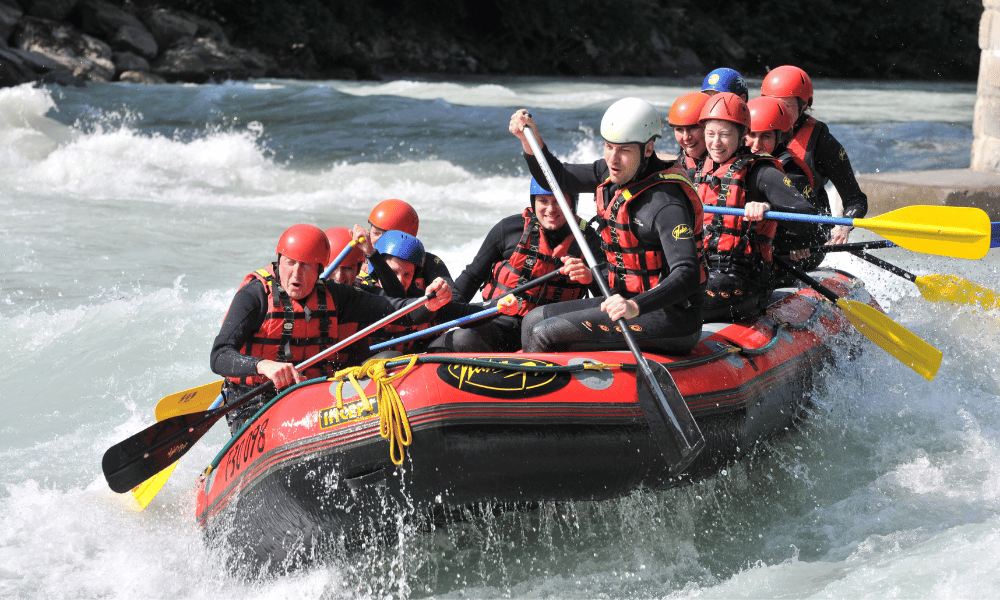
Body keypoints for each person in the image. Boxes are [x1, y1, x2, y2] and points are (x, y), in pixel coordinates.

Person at [508, 97, 708, 355]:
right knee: (533, 319)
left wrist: (636, 306)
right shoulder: (615, 173)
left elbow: (687, 274)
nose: (613, 159)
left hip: (672, 318)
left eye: (623, 150)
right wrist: (529, 139)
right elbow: (557, 176)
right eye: (608, 147)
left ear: (648, 149)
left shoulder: (666, 203)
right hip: (622, 302)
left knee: (545, 333)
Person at [210, 223, 452, 434]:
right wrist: (263, 366)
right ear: (279, 261)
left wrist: (430, 304)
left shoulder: (337, 296)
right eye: (290, 263)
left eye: (305, 266)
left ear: (319, 270)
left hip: (310, 394)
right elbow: (219, 355)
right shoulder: (254, 297)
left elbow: (398, 311)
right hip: (255, 399)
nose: (296, 273)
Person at [432, 177, 600, 352]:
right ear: (533, 202)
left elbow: (608, 295)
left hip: (553, 330)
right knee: (460, 338)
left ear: (572, 202)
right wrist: (445, 316)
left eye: (559, 201)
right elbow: (472, 277)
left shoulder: (588, 240)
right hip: (504, 323)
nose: (551, 209)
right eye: (543, 201)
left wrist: (590, 277)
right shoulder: (509, 229)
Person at [693, 93, 818, 323]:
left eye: (725, 134)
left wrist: (768, 209)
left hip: (745, 282)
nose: (715, 143)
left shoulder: (762, 173)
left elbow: (810, 221)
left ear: (741, 136)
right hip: (704, 271)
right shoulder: (702, 171)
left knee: (681, 300)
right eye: (710, 134)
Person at [761, 65, 868, 261]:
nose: (778, 114)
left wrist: (843, 226)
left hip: (806, 237)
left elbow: (855, 199)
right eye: (772, 105)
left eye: (786, 106)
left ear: (804, 105)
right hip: (763, 228)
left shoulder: (823, 143)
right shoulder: (751, 133)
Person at [354, 198, 453, 297]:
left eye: (388, 237)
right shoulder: (356, 260)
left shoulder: (429, 263)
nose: (379, 242)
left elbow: (455, 299)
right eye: (376, 233)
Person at [659, 91, 711, 170]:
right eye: (679, 129)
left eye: (693, 128)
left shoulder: (733, 170)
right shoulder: (676, 166)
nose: (686, 138)